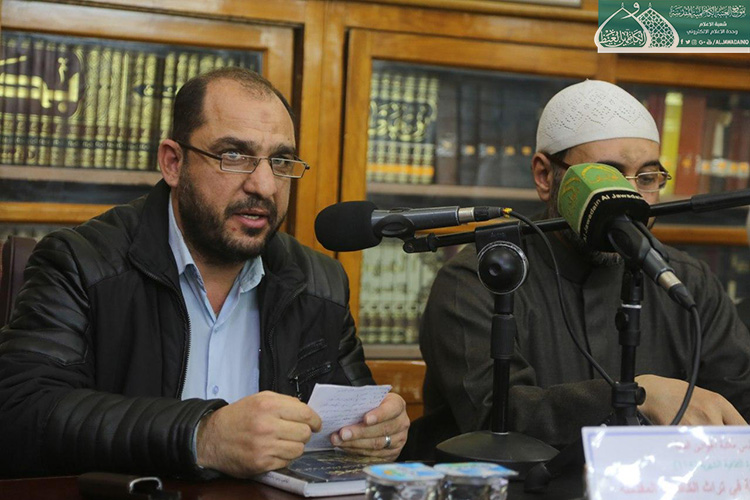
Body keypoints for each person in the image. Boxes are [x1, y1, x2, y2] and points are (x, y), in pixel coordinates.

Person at [0, 68, 409, 478]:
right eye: (234, 155)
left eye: (281, 161)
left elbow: (354, 420)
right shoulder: (80, 262)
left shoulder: (321, 283)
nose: (265, 185)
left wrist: (378, 431)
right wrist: (201, 436)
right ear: (173, 163)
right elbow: (21, 416)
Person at [419, 80, 750, 450]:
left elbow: (740, 401)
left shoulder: (686, 281)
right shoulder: (479, 279)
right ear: (545, 176)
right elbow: (496, 420)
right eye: (605, 176)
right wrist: (635, 396)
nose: (629, 197)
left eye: (646, 178)